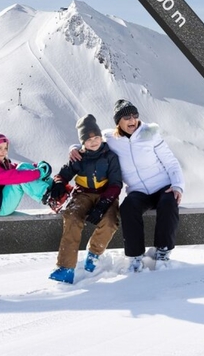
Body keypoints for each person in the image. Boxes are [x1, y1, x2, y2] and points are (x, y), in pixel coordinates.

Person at [71, 99, 184, 272]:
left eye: (134, 116)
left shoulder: (150, 133)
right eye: (127, 117)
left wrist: (177, 185)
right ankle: (135, 257)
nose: (132, 120)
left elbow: (171, 161)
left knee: (169, 203)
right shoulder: (110, 137)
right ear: (118, 122)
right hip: (138, 190)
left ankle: (163, 252)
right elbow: (90, 141)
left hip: (162, 186)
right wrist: (73, 148)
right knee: (127, 207)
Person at [48, 114, 122, 283]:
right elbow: (63, 174)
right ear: (83, 143)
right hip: (83, 194)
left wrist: (103, 205)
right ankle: (66, 268)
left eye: (96, 137)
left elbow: (116, 183)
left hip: (107, 194)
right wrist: (59, 183)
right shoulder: (78, 157)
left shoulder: (110, 156)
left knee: (110, 221)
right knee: (72, 218)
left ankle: (94, 253)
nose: (94, 142)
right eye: (88, 140)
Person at [0, 131, 64, 216]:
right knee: (19, 177)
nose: (4, 152)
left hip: (3, 199)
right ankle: (51, 199)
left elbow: (18, 168)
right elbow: (14, 177)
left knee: (23, 166)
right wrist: (39, 172)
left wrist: (38, 167)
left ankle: (57, 190)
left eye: (5, 148)